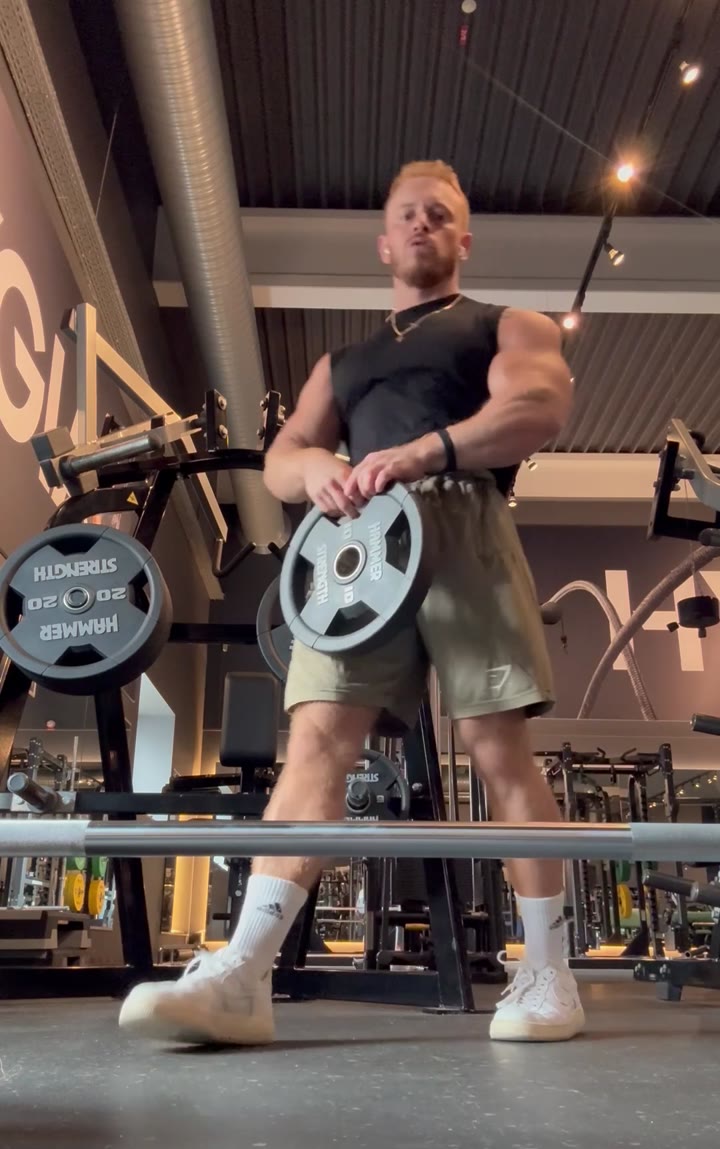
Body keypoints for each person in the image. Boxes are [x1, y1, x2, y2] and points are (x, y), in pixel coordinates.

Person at [119, 160, 583, 1047]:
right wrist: (319, 470)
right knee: (316, 741)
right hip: (358, 547)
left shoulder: (505, 323)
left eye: (438, 214)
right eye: (407, 214)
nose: (422, 225)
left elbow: (536, 406)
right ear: (383, 242)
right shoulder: (345, 363)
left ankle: (549, 973)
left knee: (497, 746)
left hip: (463, 522)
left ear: (463, 238)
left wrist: (424, 451)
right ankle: (243, 975)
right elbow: (283, 457)